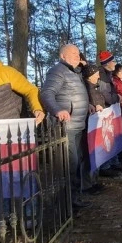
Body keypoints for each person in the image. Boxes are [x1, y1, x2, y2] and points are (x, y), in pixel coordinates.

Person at [40, 44, 91, 211]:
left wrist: (88, 104)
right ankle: (66, 205)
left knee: (75, 164)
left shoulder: (74, 73)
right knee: (69, 165)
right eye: (73, 53)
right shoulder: (58, 70)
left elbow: (75, 94)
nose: (78, 56)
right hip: (65, 127)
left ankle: (74, 200)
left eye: (78, 53)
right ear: (63, 56)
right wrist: (57, 110)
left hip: (77, 125)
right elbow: (47, 93)